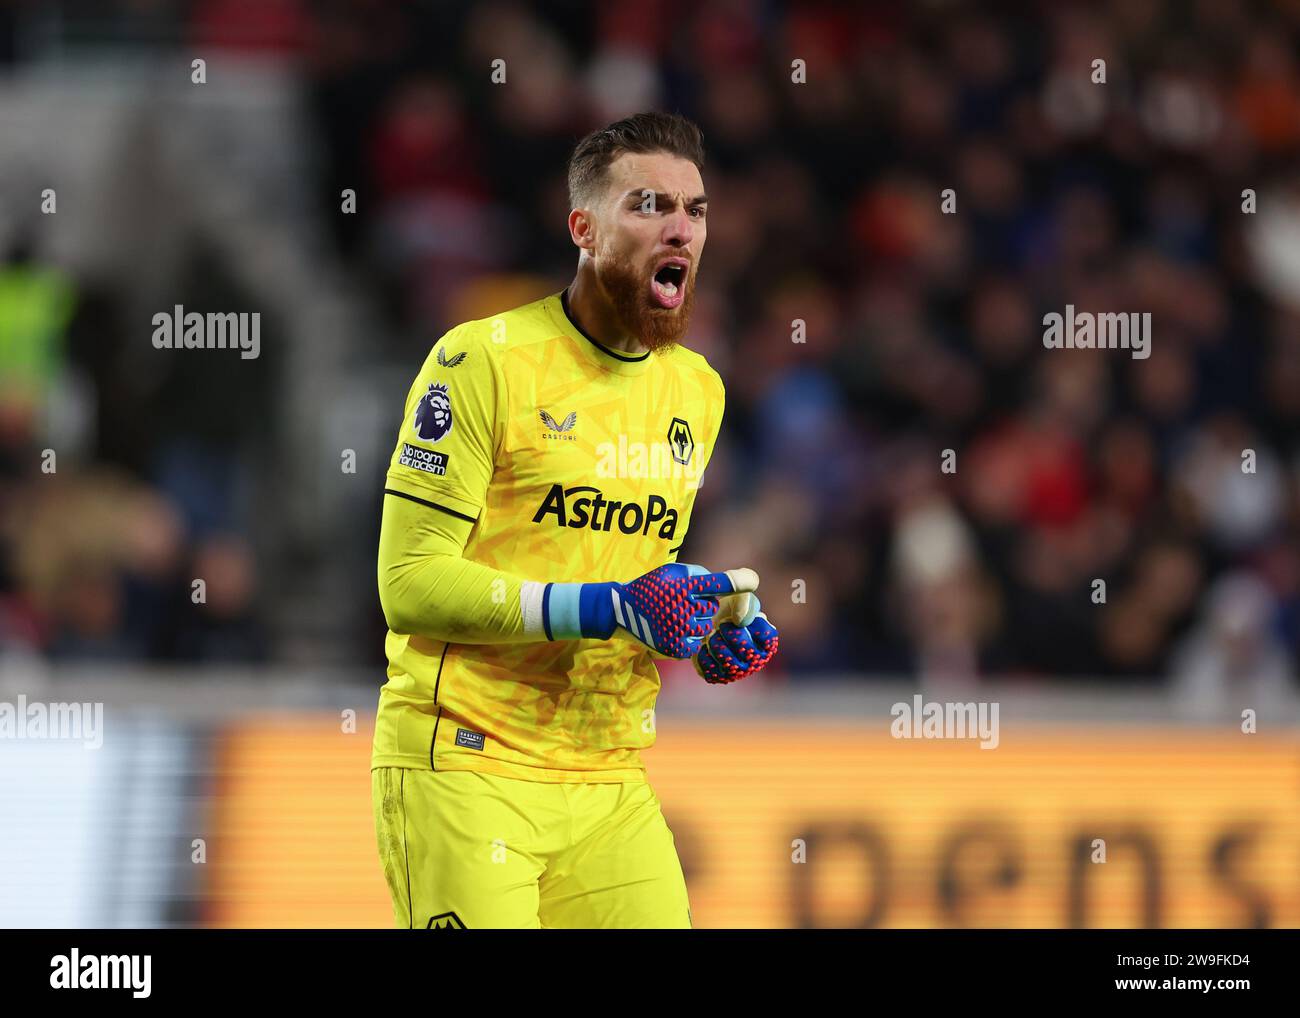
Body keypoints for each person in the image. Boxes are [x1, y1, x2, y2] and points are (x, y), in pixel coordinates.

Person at [370, 111, 779, 929]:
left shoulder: (697, 391)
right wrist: (603, 609)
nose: (680, 229)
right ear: (583, 228)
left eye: (695, 211)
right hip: (469, 761)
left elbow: (625, 567)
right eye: (649, 205)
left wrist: (702, 626)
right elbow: (408, 584)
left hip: (608, 777)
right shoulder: (482, 359)